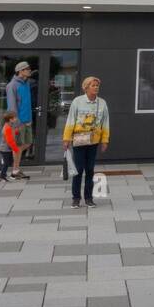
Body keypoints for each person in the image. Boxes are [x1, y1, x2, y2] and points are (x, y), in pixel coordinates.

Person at [63, 76, 110, 209]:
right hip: (79, 140)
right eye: (93, 85)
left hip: (94, 141)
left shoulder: (102, 103)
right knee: (78, 170)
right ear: (86, 87)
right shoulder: (77, 101)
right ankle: (76, 198)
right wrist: (66, 139)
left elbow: (105, 123)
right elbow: (70, 121)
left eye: (97, 85)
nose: (96, 87)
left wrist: (105, 140)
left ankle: (89, 198)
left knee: (90, 170)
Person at [5, 62, 35, 169]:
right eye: (27, 69)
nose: (29, 70)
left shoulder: (26, 84)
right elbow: (12, 107)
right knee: (17, 146)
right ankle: (15, 170)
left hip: (27, 121)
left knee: (28, 143)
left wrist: (30, 119)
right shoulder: (12, 85)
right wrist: (16, 123)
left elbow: (26, 103)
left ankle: (3, 163)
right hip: (19, 122)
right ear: (20, 71)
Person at [0, 110, 28, 182]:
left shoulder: (9, 126)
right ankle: (2, 176)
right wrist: (16, 149)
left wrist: (17, 130)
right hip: (5, 149)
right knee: (7, 163)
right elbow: (10, 141)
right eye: (15, 118)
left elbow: (12, 133)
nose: (16, 119)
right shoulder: (7, 128)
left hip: (7, 148)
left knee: (9, 162)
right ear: (11, 119)